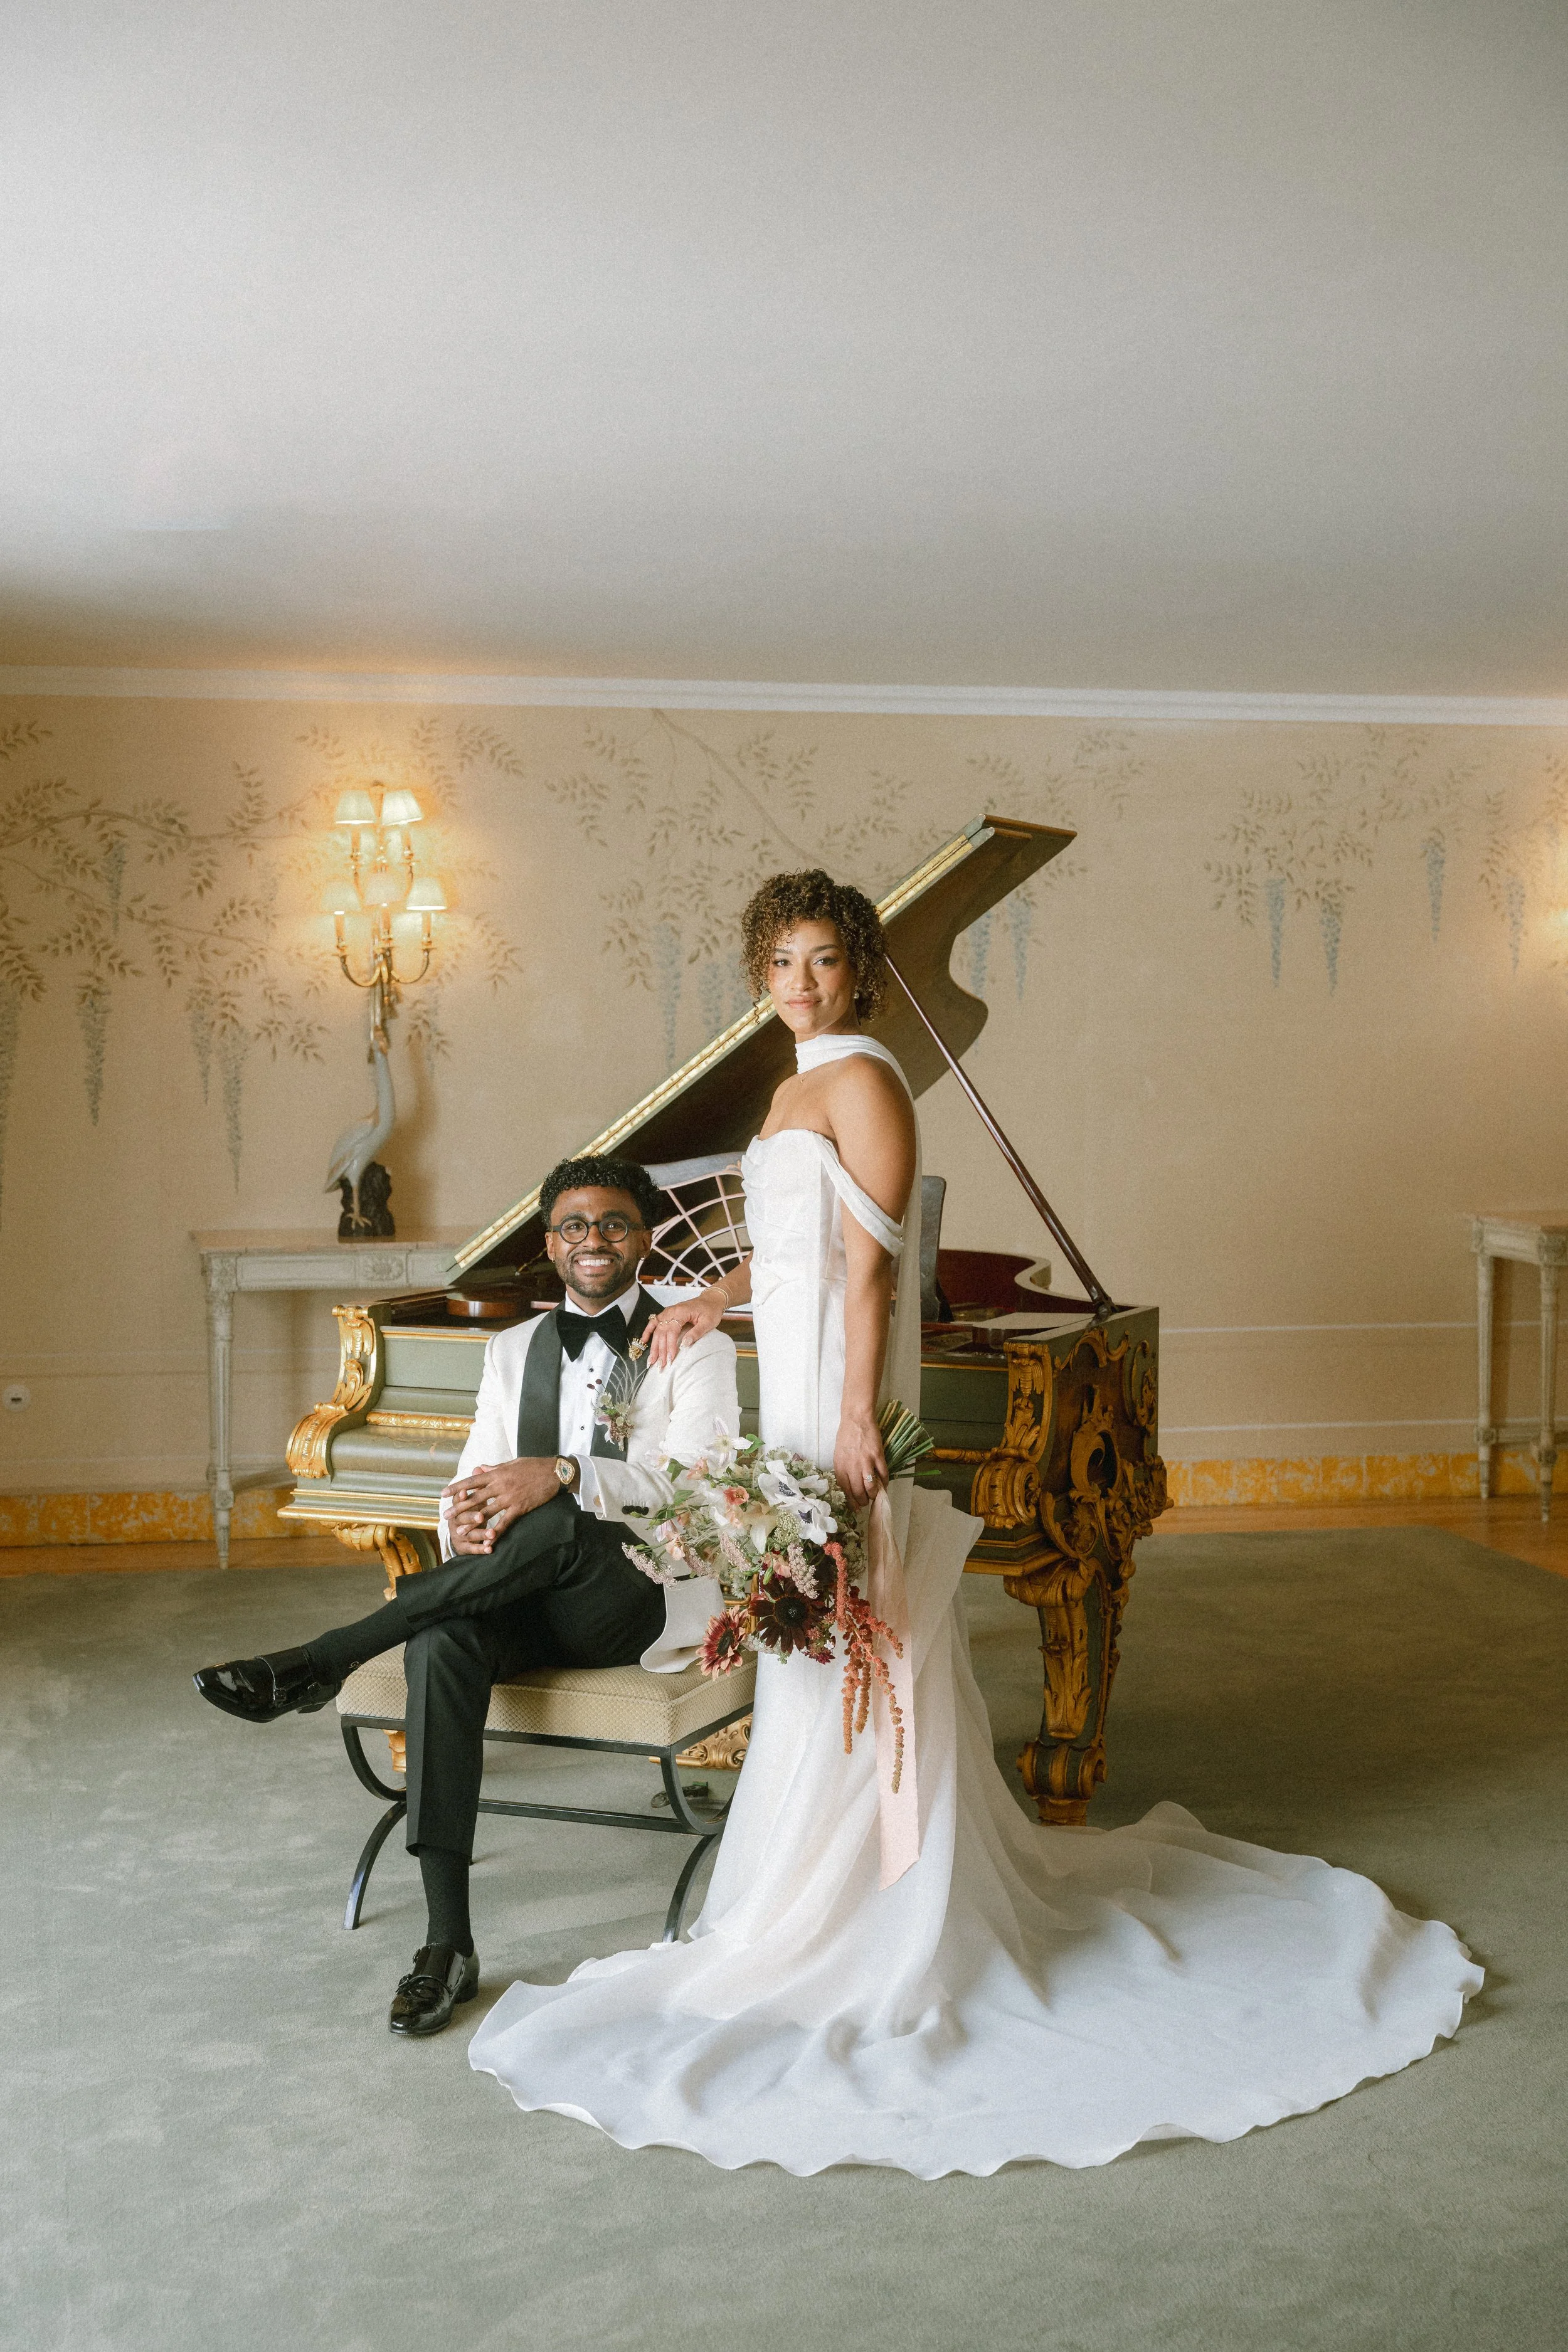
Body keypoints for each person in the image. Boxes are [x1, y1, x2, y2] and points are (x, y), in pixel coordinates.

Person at [467, 871, 1481, 2176]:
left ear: (861, 970)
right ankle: (806, 1889)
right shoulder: (785, 1087)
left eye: (822, 961)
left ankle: (881, 1910)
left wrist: (846, 1421)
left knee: (858, 1624)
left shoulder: (870, 1077)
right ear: (756, 973)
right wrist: (712, 1296)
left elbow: (871, 1267)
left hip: (835, 1387)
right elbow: (791, 1239)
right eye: (778, 961)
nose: (799, 983)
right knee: (810, 1636)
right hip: (788, 1369)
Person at [194, 1157, 738, 2038]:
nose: (592, 1240)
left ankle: (326, 1657)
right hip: (525, 1593)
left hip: (631, 1596)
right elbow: (467, 1486)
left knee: (560, 1516)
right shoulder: (511, 1348)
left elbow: (700, 1491)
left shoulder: (690, 1343)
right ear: (548, 1244)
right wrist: (467, 1530)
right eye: (573, 1225)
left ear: (643, 1238)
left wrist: (562, 1474)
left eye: (612, 1224)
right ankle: (447, 1943)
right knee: (443, 1638)